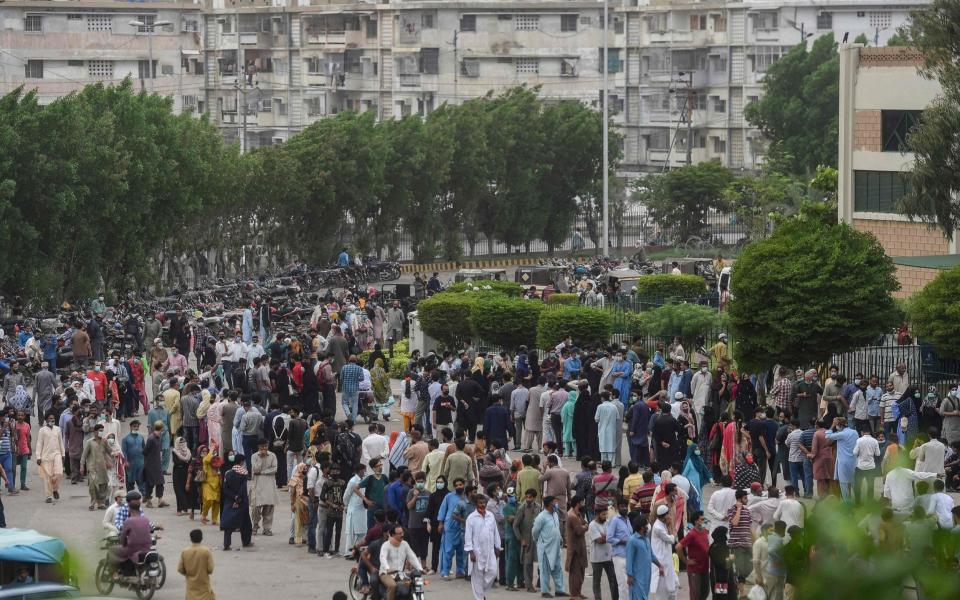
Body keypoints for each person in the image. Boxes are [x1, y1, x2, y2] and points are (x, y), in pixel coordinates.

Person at [464, 494, 502, 600]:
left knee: (493, 572)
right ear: (476, 504)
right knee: (477, 577)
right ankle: (479, 597)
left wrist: (497, 547)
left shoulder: (490, 516)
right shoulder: (471, 518)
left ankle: (479, 592)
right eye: (480, 503)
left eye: (484, 503)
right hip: (476, 552)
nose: (482, 505)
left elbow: (495, 532)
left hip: (490, 551)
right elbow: (468, 536)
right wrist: (471, 551)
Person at [532, 495, 566, 597]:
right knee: (544, 570)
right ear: (549, 504)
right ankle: (545, 591)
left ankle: (560, 590)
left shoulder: (555, 514)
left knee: (557, 569)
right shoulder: (541, 517)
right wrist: (540, 542)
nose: (556, 504)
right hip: (545, 548)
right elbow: (534, 532)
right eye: (554, 502)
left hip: (555, 547)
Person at [379, 524, 424, 600]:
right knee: (392, 586)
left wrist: (420, 568)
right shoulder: (386, 545)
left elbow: (412, 557)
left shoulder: (405, 544)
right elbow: (382, 557)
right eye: (399, 534)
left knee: (416, 583)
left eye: (402, 533)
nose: (402, 535)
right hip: (386, 573)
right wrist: (387, 568)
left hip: (400, 573)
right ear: (393, 534)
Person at [625, 517, 663, 600]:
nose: (648, 526)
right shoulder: (632, 541)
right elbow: (629, 559)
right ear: (642, 527)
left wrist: (660, 565)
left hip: (646, 576)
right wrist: (629, 575)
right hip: (636, 577)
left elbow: (651, 555)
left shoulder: (646, 539)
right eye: (646, 524)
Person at [221, 454, 253, 550]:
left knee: (229, 523)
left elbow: (225, 489)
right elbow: (242, 489)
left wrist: (233, 497)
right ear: (241, 462)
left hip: (229, 501)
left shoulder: (228, 473)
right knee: (246, 523)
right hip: (241, 501)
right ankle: (246, 542)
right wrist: (238, 499)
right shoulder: (243, 473)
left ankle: (226, 544)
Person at [677, 511, 710, 600]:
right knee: (696, 595)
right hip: (695, 570)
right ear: (696, 521)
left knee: (705, 592)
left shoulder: (705, 531)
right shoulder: (691, 534)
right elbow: (678, 547)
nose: (704, 521)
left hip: (705, 568)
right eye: (702, 519)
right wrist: (686, 561)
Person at [825, 417, 859, 501]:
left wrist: (833, 425)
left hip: (843, 462)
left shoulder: (841, 434)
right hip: (854, 461)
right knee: (854, 482)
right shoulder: (855, 432)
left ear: (839, 425)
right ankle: (858, 502)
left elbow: (827, 436)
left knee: (843, 483)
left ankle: (847, 502)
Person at [650, 504, 678, 600]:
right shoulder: (658, 527)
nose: (670, 516)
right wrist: (672, 527)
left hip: (667, 562)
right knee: (661, 594)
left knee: (673, 589)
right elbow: (672, 539)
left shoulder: (662, 524)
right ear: (664, 515)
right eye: (668, 514)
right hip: (661, 564)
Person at [513, 487, 540, 592]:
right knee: (527, 563)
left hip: (536, 539)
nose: (528, 499)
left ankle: (538, 583)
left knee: (537, 562)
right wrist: (521, 539)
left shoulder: (538, 507)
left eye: (530, 497)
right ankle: (529, 585)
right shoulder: (522, 508)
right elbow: (515, 525)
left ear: (534, 498)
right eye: (527, 497)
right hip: (526, 540)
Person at [250, 439, 278, 536]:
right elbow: (255, 470)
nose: (264, 448)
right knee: (255, 507)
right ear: (259, 447)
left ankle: (267, 528)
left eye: (265, 446)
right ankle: (255, 524)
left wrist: (263, 472)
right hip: (258, 485)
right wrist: (260, 459)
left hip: (270, 485)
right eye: (262, 447)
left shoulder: (272, 455)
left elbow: (275, 469)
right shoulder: (254, 456)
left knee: (269, 507)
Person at [608, 496, 634, 600]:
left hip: (628, 555)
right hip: (618, 556)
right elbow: (609, 538)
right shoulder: (614, 520)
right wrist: (621, 541)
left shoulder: (627, 520)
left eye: (625, 506)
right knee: (623, 585)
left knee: (629, 584)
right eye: (622, 506)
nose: (624, 508)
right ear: (618, 507)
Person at [178, 529, 215, 600]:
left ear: (190, 539)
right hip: (203, 585)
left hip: (191, 586)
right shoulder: (206, 551)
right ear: (201, 538)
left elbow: (180, 569)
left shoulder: (185, 551)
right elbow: (210, 569)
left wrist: (188, 574)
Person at [36, 411, 65, 503]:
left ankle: (55, 489)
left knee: (59, 473)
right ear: (46, 419)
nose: (52, 420)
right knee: (47, 477)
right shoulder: (42, 430)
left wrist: (63, 454)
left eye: (53, 418)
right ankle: (49, 496)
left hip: (57, 454)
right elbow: (39, 444)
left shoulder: (58, 429)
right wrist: (38, 457)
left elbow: (61, 442)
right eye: (50, 418)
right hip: (46, 456)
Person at [81, 424, 110, 510]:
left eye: (102, 431)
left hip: (102, 467)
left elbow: (110, 452)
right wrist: (82, 466)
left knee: (103, 485)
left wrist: (108, 445)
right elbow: (84, 455)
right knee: (93, 486)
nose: (101, 432)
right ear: (95, 431)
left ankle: (101, 503)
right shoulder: (90, 442)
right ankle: (93, 502)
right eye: (99, 430)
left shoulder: (104, 441)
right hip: (92, 467)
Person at [726, 489, 754, 582]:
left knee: (751, 566)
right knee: (741, 568)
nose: (747, 500)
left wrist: (757, 540)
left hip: (747, 544)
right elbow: (735, 522)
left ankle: (738, 579)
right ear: (739, 499)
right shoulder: (731, 510)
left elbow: (750, 528)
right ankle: (739, 584)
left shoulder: (747, 511)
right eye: (745, 498)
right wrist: (738, 509)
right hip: (737, 544)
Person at [565, 496, 589, 600]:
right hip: (574, 548)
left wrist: (584, 526)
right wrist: (585, 527)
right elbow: (580, 530)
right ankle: (574, 594)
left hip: (580, 547)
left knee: (581, 572)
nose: (583, 504)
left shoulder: (577, 514)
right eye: (582, 502)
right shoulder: (572, 516)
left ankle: (578, 592)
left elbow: (584, 523)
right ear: (578, 503)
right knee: (575, 573)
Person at [143, 421, 169, 508]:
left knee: (160, 482)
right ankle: (148, 501)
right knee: (150, 483)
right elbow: (145, 451)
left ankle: (160, 500)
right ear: (161, 428)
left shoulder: (158, 437)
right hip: (150, 464)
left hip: (157, 464)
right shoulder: (151, 439)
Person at [708, 527, 737, 599]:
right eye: (725, 534)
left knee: (730, 596)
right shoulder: (715, 548)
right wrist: (731, 558)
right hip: (720, 581)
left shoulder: (723, 546)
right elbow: (724, 564)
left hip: (727, 579)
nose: (727, 536)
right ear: (721, 535)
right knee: (722, 598)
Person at [172, 437, 197, 517]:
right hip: (178, 473)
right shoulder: (175, 451)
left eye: (184, 442)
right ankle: (179, 509)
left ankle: (185, 508)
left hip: (186, 473)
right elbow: (176, 462)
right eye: (181, 442)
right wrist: (185, 462)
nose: (182, 444)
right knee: (178, 491)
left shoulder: (188, 451)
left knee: (186, 490)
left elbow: (189, 462)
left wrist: (185, 462)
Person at [199, 445, 221, 525]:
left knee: (217, 502)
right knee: (209, 500)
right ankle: (204, 515)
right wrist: (213, 448)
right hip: (207, 483)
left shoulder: (218, 460)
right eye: (203, 451)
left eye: (216, 452)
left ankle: (214, 519)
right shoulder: (206, 459)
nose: (214, 453)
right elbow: (208, 458)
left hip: (217, 483)